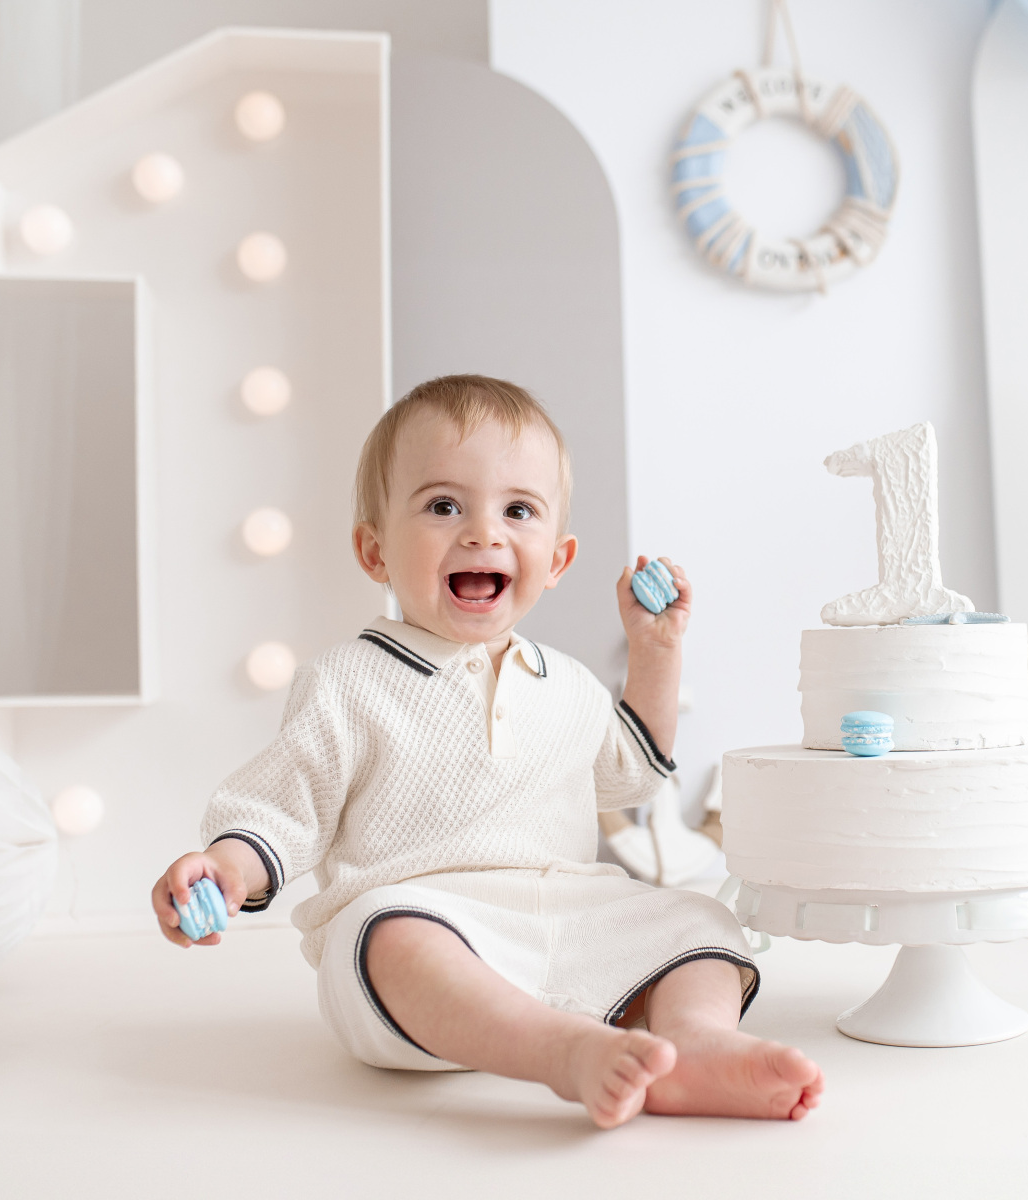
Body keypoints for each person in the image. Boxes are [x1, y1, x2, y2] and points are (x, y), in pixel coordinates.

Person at [148, 375, 822, 1128]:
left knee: (701, 921)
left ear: (557, 560)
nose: (483, 534)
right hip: (426, 919)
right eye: (443, 506)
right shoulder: (347, 681)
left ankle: (694, 1043)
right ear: (374, 550)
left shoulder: (565, 683)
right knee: (386, 936)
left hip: (566, 914)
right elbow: (281, 808)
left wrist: (656, 651)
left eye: (518, 511)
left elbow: (631, 773)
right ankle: (561, 1050)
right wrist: (227, 870)